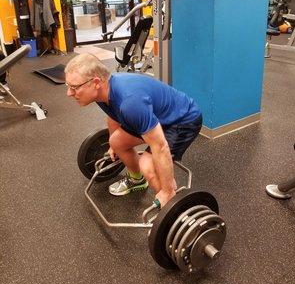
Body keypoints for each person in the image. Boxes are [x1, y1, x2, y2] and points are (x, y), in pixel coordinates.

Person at [65, 53, 202, 207]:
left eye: (74, 87)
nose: (69, 93)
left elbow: (160, 146)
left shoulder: (130, 103)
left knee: (147, 166)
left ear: (96, 82)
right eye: (68, 86)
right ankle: (137, 180)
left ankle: (170, 208)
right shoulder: (102, 92)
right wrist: (112, 144)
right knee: (116, 141)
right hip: (155, 117)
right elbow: (113, 116)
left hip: (182, 121)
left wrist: (168, 190)